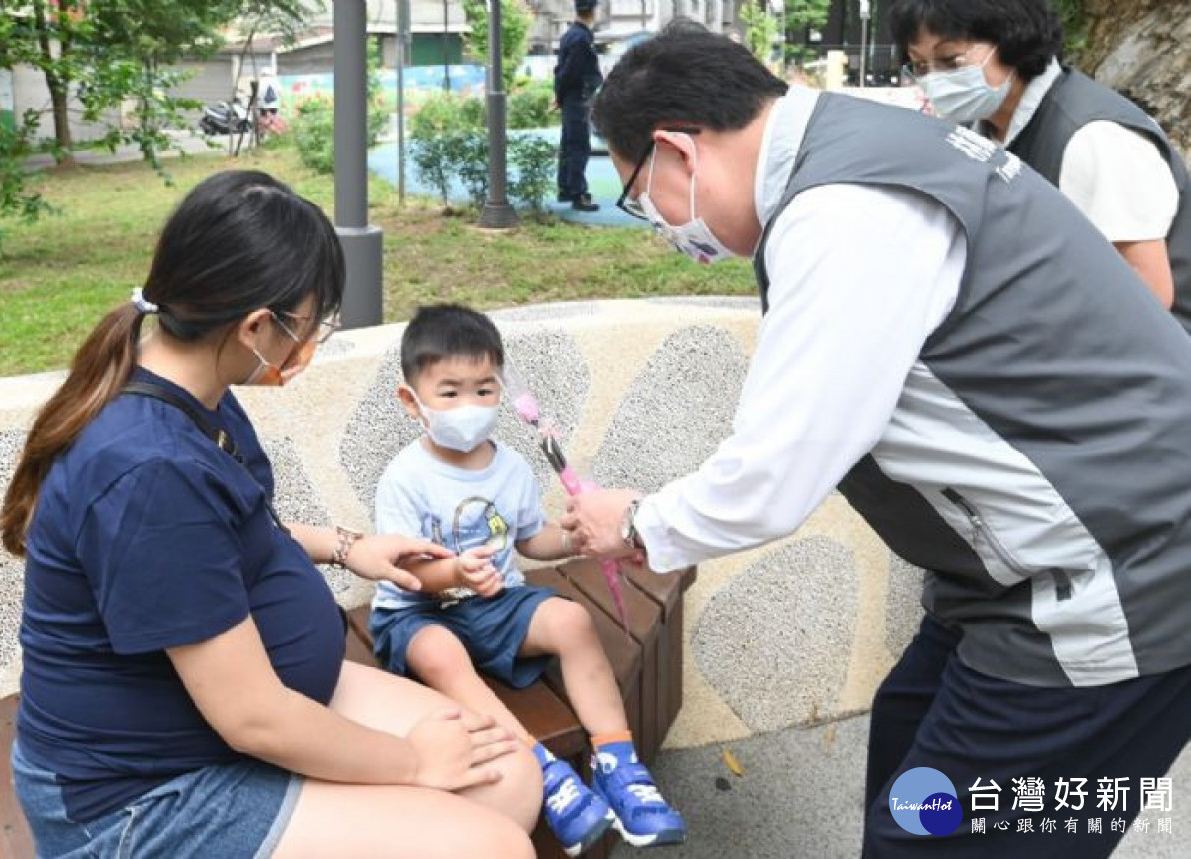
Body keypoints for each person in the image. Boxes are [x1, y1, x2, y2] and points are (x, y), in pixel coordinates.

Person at [565, 22, 1191, 857]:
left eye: (643, 197)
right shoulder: (868, 146)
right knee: (909, 745)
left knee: (936, 838)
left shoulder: (844, 211)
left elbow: (777, 470)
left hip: (1116, 578)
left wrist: (637, 522)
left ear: (679, 150)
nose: (660, 227)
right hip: (1014, 575)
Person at [0, 171, 539, 859]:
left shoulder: (197, 390)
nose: (311, 342)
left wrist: (351, 547)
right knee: (490, 845)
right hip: (147, 794)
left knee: (508, 777)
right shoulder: (147, 469)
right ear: (256, 326)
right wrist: (410, 760)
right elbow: (252, 716)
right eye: (311, 323)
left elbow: (235, 539)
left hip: (239, 714)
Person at [370, 303, 686, 856]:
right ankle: (542, 768)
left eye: (484, 389)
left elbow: (529, 541)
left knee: (569, 618)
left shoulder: (511, 466)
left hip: (495, 603)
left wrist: (577, 537)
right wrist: (451, 571)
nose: (469, 406)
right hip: (415, 611)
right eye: (450, 392)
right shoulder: (405, 477)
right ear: (411, 400)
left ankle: (619, 764)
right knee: (441, 652)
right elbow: (403, 570)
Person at [889, 0, 1189, 322]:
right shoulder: (980, 131)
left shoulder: (1092, 136)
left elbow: (1148, 293)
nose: (935, 79)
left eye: (951, 60)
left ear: (1011, 41)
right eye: (920, 66)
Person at [555, 0, 604, 212]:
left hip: (571, 96)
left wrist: (559, 96)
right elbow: (570, 72)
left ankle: (566, 188)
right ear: (592, 11)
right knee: (578, 145)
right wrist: (562, 95)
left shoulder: (570, 34)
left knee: (568, 144)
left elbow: (561, 70)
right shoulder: (581, 38)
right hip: (578, 97)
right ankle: (578, 193)